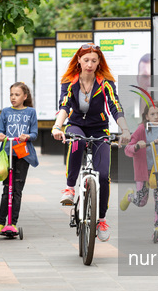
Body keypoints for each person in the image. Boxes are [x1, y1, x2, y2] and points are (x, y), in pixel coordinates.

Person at [51, 43, 131, 242]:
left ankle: (101, 219)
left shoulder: (105, 83)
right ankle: (70, 188)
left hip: (99, 129)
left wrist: (125, 130)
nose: (89, 64)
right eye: (86, 59)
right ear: (79, 60)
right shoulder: (70, 81)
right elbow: (64, 105)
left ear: (98, 63)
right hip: (76, 125)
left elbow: (115, 106)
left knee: (103, 175)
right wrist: (57, 127)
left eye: (94, 60)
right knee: (76, 142)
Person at [0, 82, 39, 233]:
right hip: (8, 154)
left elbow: (34, 134)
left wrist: (27, 136)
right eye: (11, 94)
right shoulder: (5, 112)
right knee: (7, 189)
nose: (13, 97)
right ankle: (1, 223)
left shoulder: (31, 112)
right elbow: (0, 130)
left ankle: (12, 223)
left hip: (23, 154)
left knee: (17, 190)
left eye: (17, 95)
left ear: (25, 97)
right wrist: (0, 135)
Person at [120, 101, 158, 222]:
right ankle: (130, 196)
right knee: (141, 202)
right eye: (152, 114)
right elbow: (128, 149)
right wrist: (137, 146)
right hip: (144, 171)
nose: (156, 116)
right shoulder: (141, 129)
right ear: (147, 117)